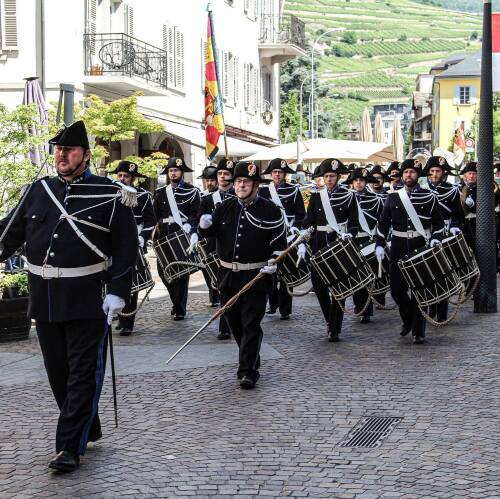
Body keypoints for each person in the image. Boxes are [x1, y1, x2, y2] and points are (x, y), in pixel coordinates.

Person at [0, 121, 137, 472]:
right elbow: (9, 235)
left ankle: (68, 448)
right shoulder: (38, 190)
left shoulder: (110, 194)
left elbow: (125, 248)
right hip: (44, 299)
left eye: (69, 150)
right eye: (58, 149)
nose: (61, 155)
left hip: (87, 299)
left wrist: (119, 292)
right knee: (58, 374)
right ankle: (87, 425)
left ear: (85, 155)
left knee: (81, 374)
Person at [198, 161, 287, 389]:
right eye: (238, 181)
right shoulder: (224, 207)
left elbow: (279, 242)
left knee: (250, 324)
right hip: (228, 276)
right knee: (235, 324)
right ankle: (251, 358)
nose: (241, 185)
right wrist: (204, 225)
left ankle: (247, 371)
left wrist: (274, 261)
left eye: (246, 182)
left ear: (256, 185)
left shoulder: (271, 210)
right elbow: (209, 233)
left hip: (257, 276)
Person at [375, 158, 444, 345]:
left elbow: (438, 223)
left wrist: (436, 237)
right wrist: (379, 244)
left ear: (418, 175)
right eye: (406, 172)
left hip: (420, 244)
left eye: (412, 172)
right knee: (397, 290)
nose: (408, 175)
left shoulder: (429, 197)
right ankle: (408, 319)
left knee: (419, 289)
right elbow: (383, 223)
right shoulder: (393, 197)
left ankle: (418, 331)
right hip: (398, 245)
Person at [303, 158, 359, 342]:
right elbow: (308, 221)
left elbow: (354, 223)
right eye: (326, 176)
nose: (329, 179)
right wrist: (304, 240)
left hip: (339, 244)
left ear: (338, 177)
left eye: (332, 176)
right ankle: (329, 319)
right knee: (318, 286)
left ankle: (335, 328)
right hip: (319, 244)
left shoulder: (349, 196)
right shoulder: (317, 196)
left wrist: (349, 234)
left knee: (338, 287)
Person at [111, 160, 156, 336]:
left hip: (134, 240)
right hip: (114, 241)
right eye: (120, 175)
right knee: (113, 280)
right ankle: (120, 318)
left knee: (131, 282)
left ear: (133, 179)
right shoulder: (110, 193)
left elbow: (150, 220)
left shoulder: (143, 196)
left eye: (127, 176)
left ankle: (128, 322)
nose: (122, 179)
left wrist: (141, 237)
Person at [153, 157, 200, 321]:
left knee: (181, 272)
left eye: (176, 170)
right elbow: (155, 216)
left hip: (182, 233)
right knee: (162, 271)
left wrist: (191, 227)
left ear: (182, 172)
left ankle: (180, 308)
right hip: (164, 233)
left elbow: (196, 214)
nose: (173, 173)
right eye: (171, 170)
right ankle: (176, 301)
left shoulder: (192, 191)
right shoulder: (160, 193)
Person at [259, 158, 306, 320]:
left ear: (285, 174)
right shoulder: (263, 191)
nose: (277, 175)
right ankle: (272, 305)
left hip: (288, 235)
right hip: (269, 235)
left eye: (280, 172)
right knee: (271, 270)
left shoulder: (294, 190)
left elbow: (301, 214)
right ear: (271, 174)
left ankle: (285, 309)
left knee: (286, 272)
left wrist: (296, 226)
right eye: (274, 172)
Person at [197, 158, 236, 340]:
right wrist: (201, 226)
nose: (222, 177)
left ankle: (230, 324)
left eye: (226, 174)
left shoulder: (239, 196)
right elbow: (201, 223)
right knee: (222, 287)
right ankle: (225, 324)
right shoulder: (206, 199)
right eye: (220, 174)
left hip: (236, 247)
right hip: (215, 247)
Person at [423, 156, 464, 322]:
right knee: (427, 273)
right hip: (426, 233)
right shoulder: (421, 189)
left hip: (445, 233)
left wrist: (455, 225)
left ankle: (442, 310)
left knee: (443, 272)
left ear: (443, 173)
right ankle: (431, 306)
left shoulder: (452, 190)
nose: (434, 174)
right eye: (431, 171)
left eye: (437, 171)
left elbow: (458, 215)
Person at [346, 167, 385, 323]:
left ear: (366, 182)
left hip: (368, 240)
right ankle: (359, 306)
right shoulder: (346, 199)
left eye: (361, 180)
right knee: (355, 275)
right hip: (352, 241)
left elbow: (382, 223)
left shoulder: (376, 199)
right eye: (356, 180)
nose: (358, 183)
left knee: (367, 276)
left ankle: (366, 310)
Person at [197, 165, 221, 307]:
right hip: (208, 237)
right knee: (207, 266)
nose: (209, 183)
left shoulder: (224, 195)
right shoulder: (204, 197)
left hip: (221, 236)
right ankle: (213, 295)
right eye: (207, 180)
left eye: (212, 180)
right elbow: (199, 214)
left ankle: (218, 294)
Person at [459, 161, 478, 255]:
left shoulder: (484, 187)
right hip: (465, 227)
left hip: (479, 227)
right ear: (465, 175)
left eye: (474, 174)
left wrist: (473, 205)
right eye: (469, 173)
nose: (471, 176)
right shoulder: (461, 188)